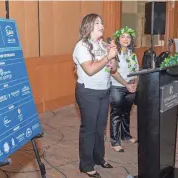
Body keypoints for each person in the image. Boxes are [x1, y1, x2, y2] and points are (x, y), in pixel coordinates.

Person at [73, 13, 118, 178]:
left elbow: (112, 69)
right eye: (98, 22)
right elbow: (90, 69)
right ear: (89, 26)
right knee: (89, 129)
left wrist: (113, 58)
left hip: (104, 91)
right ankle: (86, 165)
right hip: (88, 93)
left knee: (100, 129)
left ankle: (99, 158)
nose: (102, 25)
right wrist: (108, 57)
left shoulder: (103, 44)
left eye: (102, 22)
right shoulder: (81, 46)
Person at [109, 26, 139, 152]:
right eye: (123, 36)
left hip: (130, 87)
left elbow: (136, 70)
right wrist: (126, 84)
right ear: (118, 39)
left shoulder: (132, 54)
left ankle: (125, 135)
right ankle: (115, 141)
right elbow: (113, 72)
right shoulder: (114, 53)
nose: (126, 39)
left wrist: (134, 83)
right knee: (116, 114)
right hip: (117, 87)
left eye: (128, 37)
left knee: (126, 113)